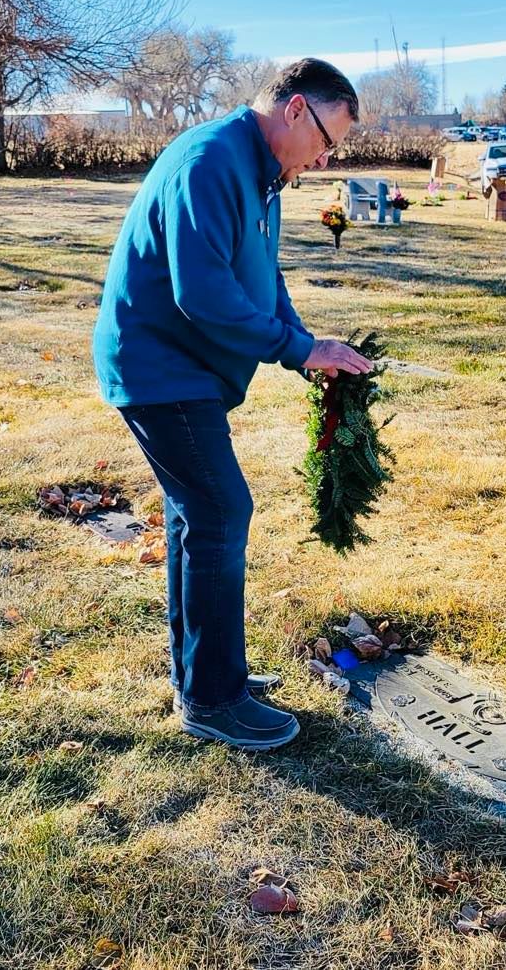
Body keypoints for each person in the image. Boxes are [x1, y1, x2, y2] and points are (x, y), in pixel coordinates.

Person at [93, 58, 372, 752]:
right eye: (328, 141)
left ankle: (208, 677)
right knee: (221, 511)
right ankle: (215, 700)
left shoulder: (262, 177)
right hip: (160, 367)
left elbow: (261, 276)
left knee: (200, 517)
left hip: (185, 372)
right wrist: (293, 350)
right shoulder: (213, 160)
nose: (326, 158)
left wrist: (309, 344)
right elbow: (204, 293)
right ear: (297, 110)